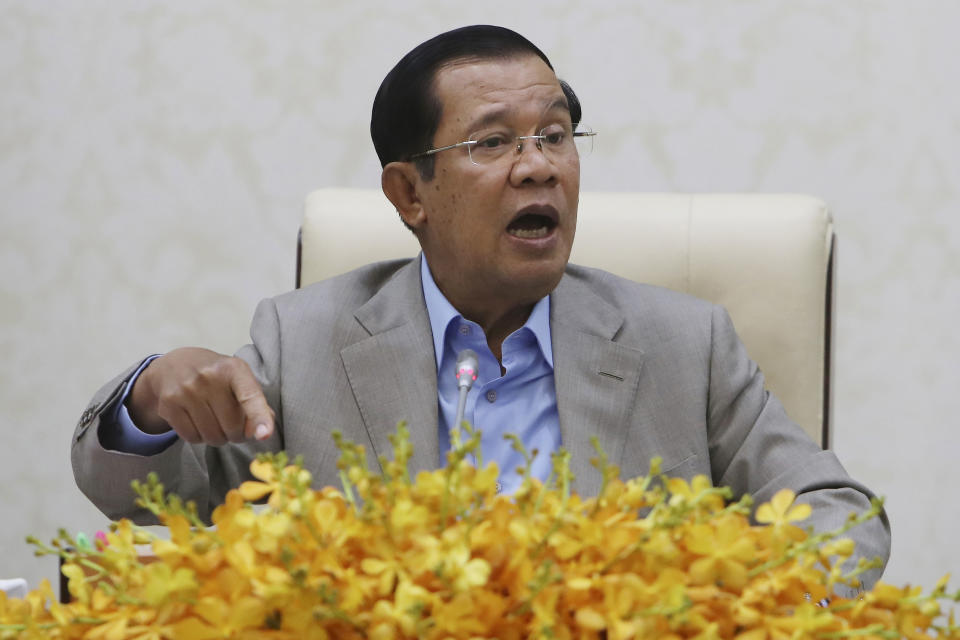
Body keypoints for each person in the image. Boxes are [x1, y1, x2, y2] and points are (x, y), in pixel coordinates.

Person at [72, 25, 890, 585]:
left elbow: (841, 515)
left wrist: (698, 584)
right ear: (409, 193)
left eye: (557, 135)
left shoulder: (684, 344)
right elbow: (139, 494)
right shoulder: (305, 341)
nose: (539, 168)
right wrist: (151, 395)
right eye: (493, 143)